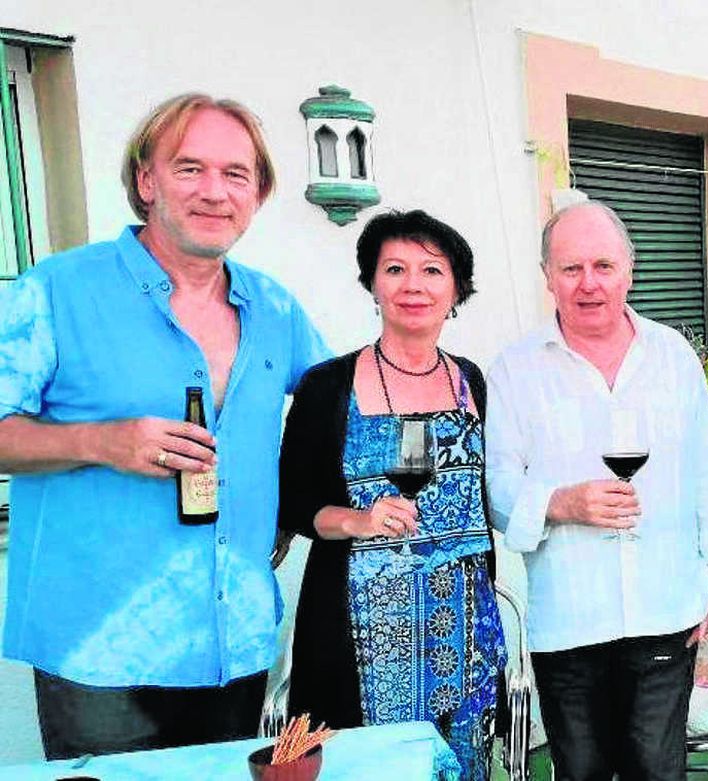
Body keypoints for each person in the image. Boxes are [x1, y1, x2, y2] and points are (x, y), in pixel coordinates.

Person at [0, 93, 329, 757]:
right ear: (147, 181)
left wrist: (294, 507)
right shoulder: (54, 290)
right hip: (100, 650)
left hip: (231, 640)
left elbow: (334, 414)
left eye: (236, 174)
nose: (214, 191)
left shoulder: (274, 307)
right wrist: (100, 440)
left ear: (258, 195)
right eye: (190, 169)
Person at [485, 198, 708, 781]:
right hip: (569, 619)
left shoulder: (673, 357)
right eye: (571, 268)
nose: (588, 284)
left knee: (659, 770)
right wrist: (561, 502)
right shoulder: (515, 369)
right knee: (580, 773)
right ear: (547, 276)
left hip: (665, 604)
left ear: (629, 269)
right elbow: (497, 487)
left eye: (603, 266)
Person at [277, 210, 505, 779]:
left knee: (459, 762)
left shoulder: (470, 379)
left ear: (456, 289)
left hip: (463, 618)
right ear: (372, 284)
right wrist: (358, 521)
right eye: (395, 268)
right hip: (360, 626)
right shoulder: (328, 386)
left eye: (432, 270)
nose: (413, 285)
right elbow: (294, 502)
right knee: (365, 766)